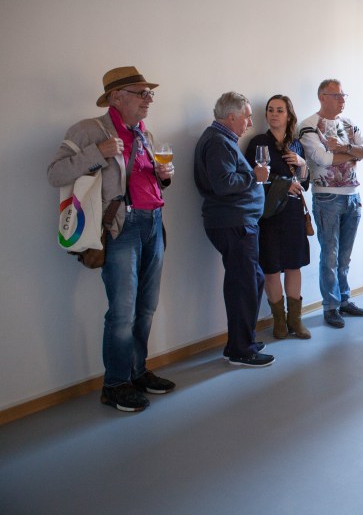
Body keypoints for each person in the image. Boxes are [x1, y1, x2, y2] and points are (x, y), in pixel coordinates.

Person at [47, 66, 175, 412]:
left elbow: (142, 179)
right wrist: (97, 152)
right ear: (116, 97)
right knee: (122, 312)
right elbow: (55, 172)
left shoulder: (143, 132)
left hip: (153, 223)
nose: (149, 99)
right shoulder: (90, 130)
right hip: (121, 228)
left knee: (145, 308)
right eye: (141, 92)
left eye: (150, 93)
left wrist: (164, 176)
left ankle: (136, 372)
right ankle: (115, 384)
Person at [194, 92, 274, 367]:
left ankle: (240, 342)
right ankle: (242, 350)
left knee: (252, 280)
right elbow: (224, 184)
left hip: (237, 222)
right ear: (231, 117)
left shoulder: (221, 140)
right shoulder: (218, 142)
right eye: (247, 116)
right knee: (245, 284)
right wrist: (255, 175)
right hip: (234, 223)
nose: (250, 122)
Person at [299, 79, 363, 328]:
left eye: (344, 95)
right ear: (322, 96)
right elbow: (322, 159)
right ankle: (330, 306)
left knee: (344, 256)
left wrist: (345, 148)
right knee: (329, 255)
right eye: (337, 95)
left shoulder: (348, 123)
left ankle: (344, 300)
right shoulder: (309, 126)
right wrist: (354, 154)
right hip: (327, 196)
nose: (343, 99)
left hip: (352, 195)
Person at [243, 95, 312, 340]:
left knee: (294, 265)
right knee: (271, 268)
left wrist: (303, 165)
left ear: (288, 115)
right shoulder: (258, 143)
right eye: (270, 110)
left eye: (279, 110)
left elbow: (304, 184)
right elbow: (255, 180)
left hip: (292, 213)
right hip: (269, 214)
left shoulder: (296, 144)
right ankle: (279, 322)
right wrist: (284, 186)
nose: (274, 114)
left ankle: (296, 321)